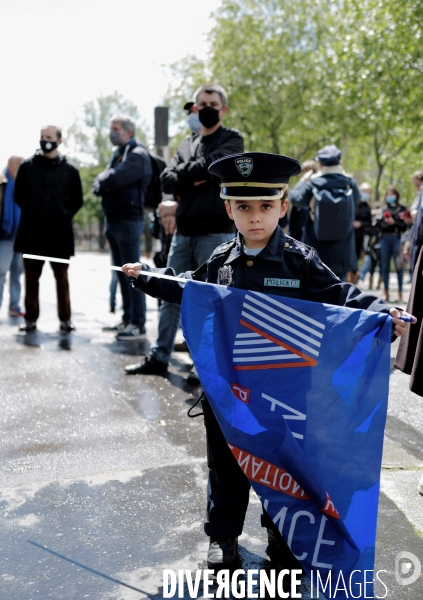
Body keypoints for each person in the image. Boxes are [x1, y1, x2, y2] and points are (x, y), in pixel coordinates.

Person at [121, 151, 415, 568]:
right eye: (243, 207)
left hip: (285, 395)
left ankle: (284, 537)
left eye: (264, 206)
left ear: (282, 206)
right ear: (229, 208)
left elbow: (343, 299)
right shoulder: (222, 262)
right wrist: (146, 277)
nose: (254, 217)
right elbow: (186, 287)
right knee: (226, 467)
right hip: (230, 394)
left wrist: (383, 312)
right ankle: (222, 536)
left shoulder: (300, 261)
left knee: (282, 470)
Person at [125, 83, 244, 376]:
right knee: (168, 293)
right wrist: (196, 175)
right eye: (200, 103)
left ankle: (202, 365)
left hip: (216, 233)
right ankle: (159, 356)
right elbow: (166, 179)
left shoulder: (232, 139)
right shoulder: (185, 144)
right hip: (183, 232)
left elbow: (215, 167)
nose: (204, 109)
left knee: (210, 302)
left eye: (212, 104)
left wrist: (187, 175)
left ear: (223, 109)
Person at [14, 126, 83, 332]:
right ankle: (30, 319)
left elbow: (77, 200)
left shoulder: (70, 170)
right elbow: (19, 196)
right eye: (42, 137)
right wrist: (34, 211)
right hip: (32, 234)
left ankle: (65, 320)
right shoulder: (27, 167)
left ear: (59, 141)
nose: (45, 140)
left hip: (59, 236)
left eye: (49, 137)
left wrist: (62, 213)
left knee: (62, 279)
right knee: (31, 280)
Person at [93, 114, 152, 340]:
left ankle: (138, 324)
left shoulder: (137, 154)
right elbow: (99, 184)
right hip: (114, 221)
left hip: (129, 221)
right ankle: (127, 319)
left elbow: (113, 180)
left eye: (116, 128)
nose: (112, 132)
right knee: (120, 274)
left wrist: (104, 179)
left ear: (128, 132)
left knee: (132, 274)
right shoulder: (117, 156)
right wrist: (104, 180)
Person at [290, 145, 360, 281]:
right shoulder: (350, 183)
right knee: (339, 292)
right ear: (340, 163)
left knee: (315, 291)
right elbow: (356, 200)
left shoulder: (312, 184)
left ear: (320, 164)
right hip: (343, 250)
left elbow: (296, 199)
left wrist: (303, 182)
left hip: (316, 251)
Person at [0, 155, 24, 318]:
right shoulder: (2, 182)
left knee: (17, 273)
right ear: (11, 165)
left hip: (21, 235)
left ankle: (14, 306)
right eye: (20, 166)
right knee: (1, 272)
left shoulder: (25, 183)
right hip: (4, 234)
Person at [375, 186, 408, 303]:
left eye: (392, 194)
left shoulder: (402, 209)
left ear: (396, 195)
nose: (390, 196)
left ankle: (400, 293)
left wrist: (395, 222)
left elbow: (405, 226)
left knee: (399, 265)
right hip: (384, 239)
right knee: (384, 266)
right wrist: (382, 221)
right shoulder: (384, 209)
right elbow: (377, 227)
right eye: (388, 194)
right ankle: (386, 291)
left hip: (396, 239)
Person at [287, 159, 317, 241]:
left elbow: (296, 199)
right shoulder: (301, 186)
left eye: (306, 171)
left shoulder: (314, 187)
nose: (304, 175)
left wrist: (303, 182)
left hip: (309, 234)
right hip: (297, 233)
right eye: (303, 171)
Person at [349, 182, 373, 284]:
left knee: (356, 259)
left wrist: (361, 224)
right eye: (365, 191)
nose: (366, 194)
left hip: (360, 237)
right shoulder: (352, 202)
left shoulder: (367, 207)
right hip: (349, 235)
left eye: (368, 192)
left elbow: (369, 222)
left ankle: (353, 282)